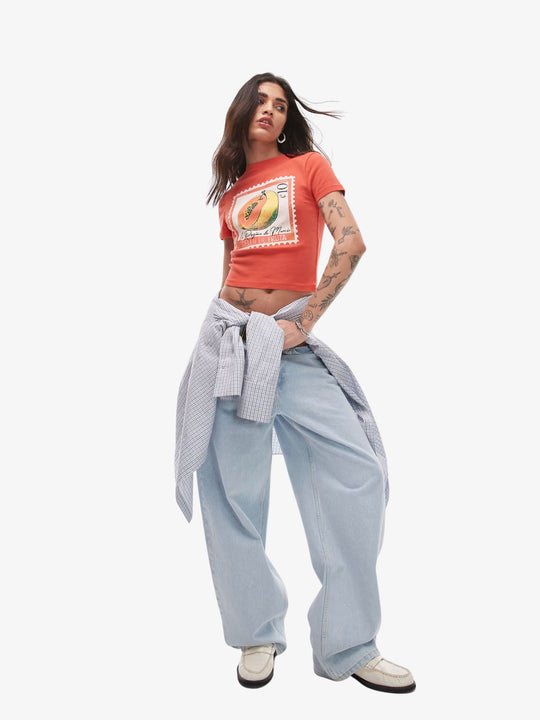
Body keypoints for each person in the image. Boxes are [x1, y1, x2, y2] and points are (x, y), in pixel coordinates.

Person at [174, 72, 416, 693]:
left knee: (358, 472)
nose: (271, 111)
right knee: (232, 489)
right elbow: (229, 273)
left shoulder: (309, 167)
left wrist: (304, 322)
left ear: (288, 121)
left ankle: (349, 642)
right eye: (260, 101)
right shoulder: (232, 195)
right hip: (230, 342)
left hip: (290, 341)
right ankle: (255, 632)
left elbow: (351, 243)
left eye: (281, 105)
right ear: (241, 111)